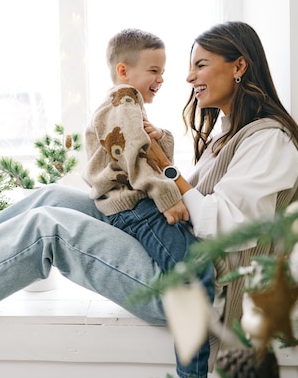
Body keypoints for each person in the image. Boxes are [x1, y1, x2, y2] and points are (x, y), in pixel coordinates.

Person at [0, 21, 298, 378]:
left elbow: (231, 226)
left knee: (49, 228)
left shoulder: (268, 140)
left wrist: (163, 168)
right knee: (52, 196)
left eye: (201, 64)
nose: (188, 77)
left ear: (239, 66)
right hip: (179, 253)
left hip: (198, 286)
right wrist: (158, 161)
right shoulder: (229, 135)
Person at [82, 28, 214, 376]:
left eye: (162, 71)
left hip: (130, 203)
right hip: (135, 207)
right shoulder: (125, 100)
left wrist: (160, 136)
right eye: (154, 71)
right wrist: (166, 195)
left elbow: (144, 150)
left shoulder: (125, 104)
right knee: (197, 275)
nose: (162, 79)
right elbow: (132, 156)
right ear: (124, 71)